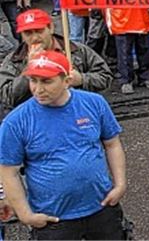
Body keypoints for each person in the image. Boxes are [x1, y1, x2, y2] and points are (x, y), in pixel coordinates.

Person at [0, 51, 128, 240]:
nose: (38, 89)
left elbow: (112, 144)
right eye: (33, 81)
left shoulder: (94, 103)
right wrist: (26, 215)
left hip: (102, 208)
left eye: (46, 81)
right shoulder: (16, 121)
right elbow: (8, 170)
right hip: (54, 220)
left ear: (67, 80)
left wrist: (120, 184)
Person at [0, 9, 113, 116]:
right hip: (34, 119)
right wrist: (28, 69)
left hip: (78, 113)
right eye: (28, 33)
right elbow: (6, 97)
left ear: (50, 28)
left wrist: (82, 79)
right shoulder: (15, 59)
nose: (35, 38)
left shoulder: (76, 50)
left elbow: (105, 77)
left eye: (39, 31)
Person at [105, 4, 149, 95]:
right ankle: (126, 79)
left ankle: (144, 75)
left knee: (144, 49)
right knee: (124, 52)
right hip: (121, 18)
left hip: (140, 16)